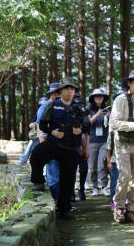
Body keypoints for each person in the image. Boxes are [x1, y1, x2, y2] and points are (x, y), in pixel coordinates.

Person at [30, 77, 90, 219]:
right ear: (60, 91)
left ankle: (65, 209)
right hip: (54, 144)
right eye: (66, 89)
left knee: (67, 181)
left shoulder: (80, 108)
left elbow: (87, 126)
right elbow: (42, 125)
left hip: (71, 148)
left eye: (72, 89)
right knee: (36, 154)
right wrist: (52, 132)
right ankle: (38, 181)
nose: (69, 91)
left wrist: (80, 130)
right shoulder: (51, 105)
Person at [109, 69, 134, 224]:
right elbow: (114, 123)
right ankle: (119, 208)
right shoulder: (120, 99)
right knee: (124, 175)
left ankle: (131, 209)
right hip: (122, 142)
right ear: (129, 84)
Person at [16, 83, 59, 165]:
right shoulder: (45, 107)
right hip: (40, 134)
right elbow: (36, 124)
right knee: (32, 146)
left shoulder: (57, 105)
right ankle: (24, 160)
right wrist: (42, 138)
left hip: (49, 136)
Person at [86, 88, 110, 197]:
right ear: (93, 98)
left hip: (105, 141)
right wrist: (97, 114)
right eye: (97, 96)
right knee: (92, 166)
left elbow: (113, 125)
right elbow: (87, 123)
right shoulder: (88, 110)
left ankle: (104, 186)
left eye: (101, 96)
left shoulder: (108, 109)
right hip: (92, 141)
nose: (99, 98)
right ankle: (95, 187)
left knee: (102, 164)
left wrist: (109, 116)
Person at [105, 131, 118, 210]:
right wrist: (108, 161)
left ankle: (124, 202)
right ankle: (113, 202)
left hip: (126, 161)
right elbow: (108, 149)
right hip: (114, 161)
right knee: (114, 183)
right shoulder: (112, 134)